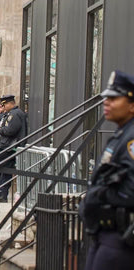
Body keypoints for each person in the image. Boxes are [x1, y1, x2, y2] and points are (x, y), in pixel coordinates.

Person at [79, 70, 134, 270]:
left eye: (114, 98)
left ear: (131, 104)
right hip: (104, 233)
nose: (106, 102)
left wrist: (99, 197)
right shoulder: (122, 132)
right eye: (106, 98)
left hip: (120, 237)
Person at [0, 94, 27, 202]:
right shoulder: (12, 113)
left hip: (10, 147)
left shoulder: (15, 114)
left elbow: (11, 130)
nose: (3, 107)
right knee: (5, 170)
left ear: (11, 103)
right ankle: (2, 195)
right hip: (9, 146)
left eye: (4, 105)